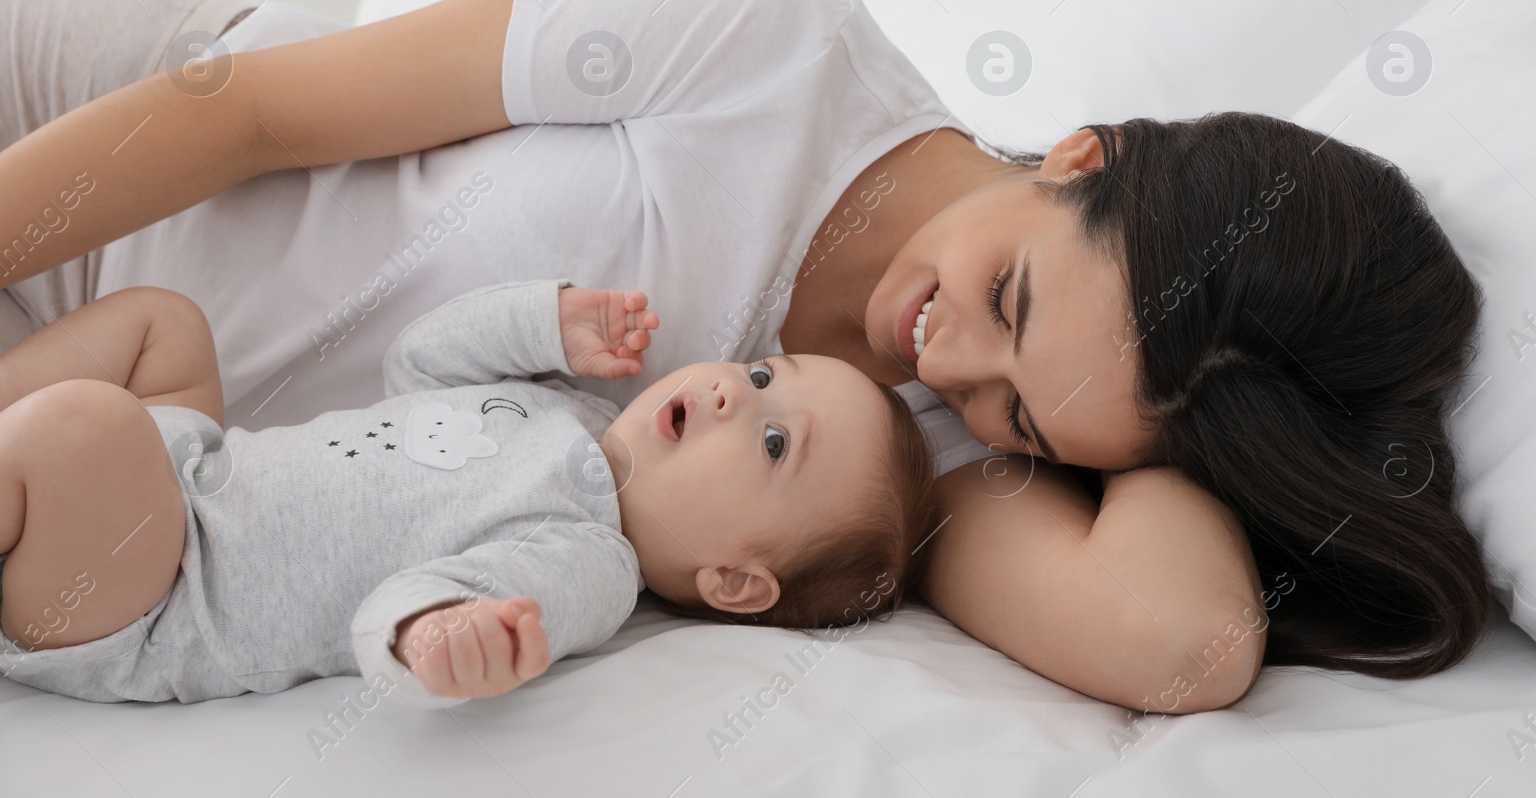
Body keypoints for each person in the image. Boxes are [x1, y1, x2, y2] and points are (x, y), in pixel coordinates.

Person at [0, 0, 1490, 712]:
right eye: (1013, 294)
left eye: (1020, 408)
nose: (938, 359)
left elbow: (1185, 640)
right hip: (84, 137)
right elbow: (251, 112)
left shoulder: (897, 466)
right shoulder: (777, 38)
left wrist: (1176, 419)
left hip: (107, 426)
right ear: (1079, 151)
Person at [0, 279, 936, 706]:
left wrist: (438, 635)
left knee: (83, 425)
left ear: (734, 580)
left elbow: (393, 611)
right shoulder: (568, 409)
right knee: (163, 323)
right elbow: (416, 363)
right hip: (190, 466)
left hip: (160, 591)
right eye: (764, 373)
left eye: (775, 441)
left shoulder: (587, 561)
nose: (735, 390)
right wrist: (545, 320)